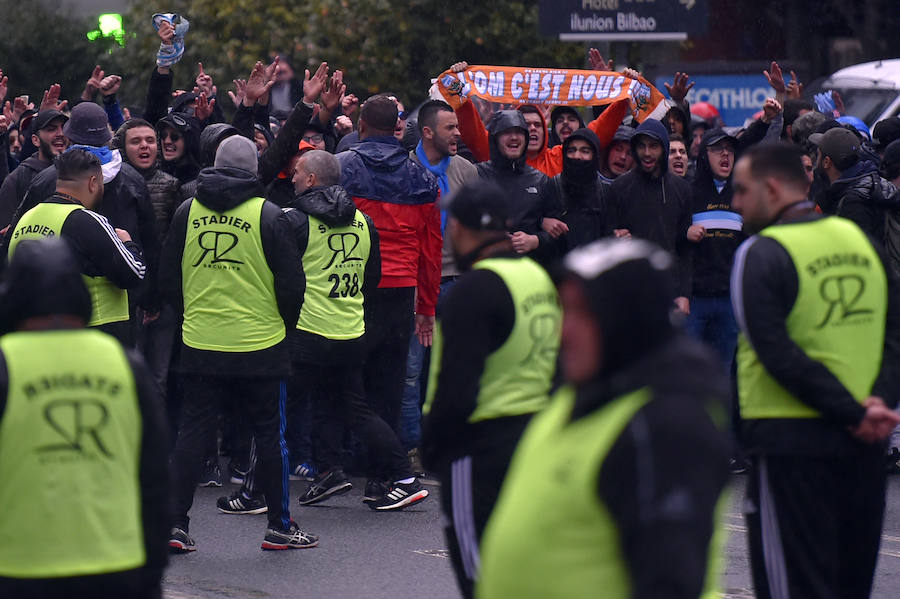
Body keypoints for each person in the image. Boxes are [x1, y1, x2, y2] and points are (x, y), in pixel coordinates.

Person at [476, 238, 731, 599]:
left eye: (583, 313)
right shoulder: (583, 392)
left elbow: (671, 583)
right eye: (563, 309)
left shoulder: (667, 423)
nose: (562, 330)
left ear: (628, 319)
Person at [730, 143, 900, 598]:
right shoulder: (858, 241)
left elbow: (775, 352)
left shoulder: (760, 252)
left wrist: (852, 411)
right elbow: (893, 333)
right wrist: (877, 404)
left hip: (791, 447)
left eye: (742, 192)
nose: (735, 204)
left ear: (770, 189)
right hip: (865, 443)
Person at [159, 134, 316, 551]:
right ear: (253, 169)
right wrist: (284, 326)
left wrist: (191, 317)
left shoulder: (186, 211)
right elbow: (292, 285)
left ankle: (175, 525)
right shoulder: (268, 214)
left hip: (201, 342)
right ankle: (280, 526)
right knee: (270, 437)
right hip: (261, 344)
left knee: (192, 435)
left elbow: (168, 279)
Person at [0, 237, 168, 599]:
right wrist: (152, 572)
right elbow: (154, 478)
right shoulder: (126, 366)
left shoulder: (5, 364)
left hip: (21, 568)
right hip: (117, 566)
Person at [422, 182, 561, 598]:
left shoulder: (473, 291)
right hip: (535, 442)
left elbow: (456, 385)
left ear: (464, 229)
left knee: (480, 574)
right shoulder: (537, 278)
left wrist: (433, 449)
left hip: (478, 448)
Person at [280, 150, 428, 510]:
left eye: (298, 172)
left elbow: (285, 280)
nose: (294, 177)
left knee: (274, 406)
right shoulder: (363, 221)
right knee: (345, 405)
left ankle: (255, 492)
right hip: (349, 330)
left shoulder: (297, 220)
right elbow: (371, 278)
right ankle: (335, 471)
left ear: (312, 179)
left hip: (309, 331)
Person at [337, 95, 441, 451]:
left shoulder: (341, 168)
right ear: (399, 129)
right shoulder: (423, 178)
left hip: (351, 285)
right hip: (401, 288)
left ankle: (346, 456)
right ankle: (383, 464)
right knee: (391, 381)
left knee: (349, 376)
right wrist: (427, 307)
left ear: (361, 125)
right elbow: (431, 250)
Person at [403, 99, 479, 468]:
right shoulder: (404, 169)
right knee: (411, 371)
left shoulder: (466, 170)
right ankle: (412, 446)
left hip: (456, 282)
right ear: (428, 132)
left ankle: (445, 442)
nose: (458, 134)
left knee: (449, 368)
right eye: (451, 128)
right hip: (416, 285)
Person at [6, 149, 147, 345]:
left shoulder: (25, 219)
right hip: (96, 334)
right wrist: (128, 243)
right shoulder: (86, 220)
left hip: (34, 334)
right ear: (93, 183)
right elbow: (133, 273)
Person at [450, 61, 630, 178]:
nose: (533, 129)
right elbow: (472, 130)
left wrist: (624, 93)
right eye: (526, 125)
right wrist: (459, 89)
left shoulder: (560, 157)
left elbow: (598, 132)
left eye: (537, 125)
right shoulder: (495, 154)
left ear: (546, 130)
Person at [610, 119, 693, 314]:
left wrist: (684, 293)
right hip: (628, 290)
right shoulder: (619, 188)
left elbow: (685, 249)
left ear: (663, 148)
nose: (647, 153)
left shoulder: (682, 189)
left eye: (653, 146)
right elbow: (606, 235)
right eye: (642, 146)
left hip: (668, 290)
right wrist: (614, 236)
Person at [685, 129, 743, 370]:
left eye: (729, 150)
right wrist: (684, 233)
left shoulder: (741, 195)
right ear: (703, 154)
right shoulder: (688, 192)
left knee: (723, 371)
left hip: (729, 300)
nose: (725, 155)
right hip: (695, 299)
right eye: (718, 150)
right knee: (689, 371)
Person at [473, 110, 556, 260]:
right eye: (506, 132)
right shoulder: (478, 174)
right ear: (495, 138)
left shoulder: (541, 180)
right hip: (488, 270)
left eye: (519, 132)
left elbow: (560, 235)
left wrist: (535, 241)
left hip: (529, 271)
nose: (514, 138)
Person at [811, 126, 900, 239]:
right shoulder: (874, 180)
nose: (815, 160)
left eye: (818, 154)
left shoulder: (852, 203)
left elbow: (862, 250)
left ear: (827, 162)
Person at [547, 127, 613, 252]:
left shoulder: (605, 191)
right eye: (572, 150)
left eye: (585, 151)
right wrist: (543, 222)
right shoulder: (553, 185)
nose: (577, 156)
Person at [0, 109, 68, 228]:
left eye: (64, 128)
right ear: (35, 140)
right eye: (51, 129)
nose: (61, 134)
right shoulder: (17, 178)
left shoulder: (77, 173)